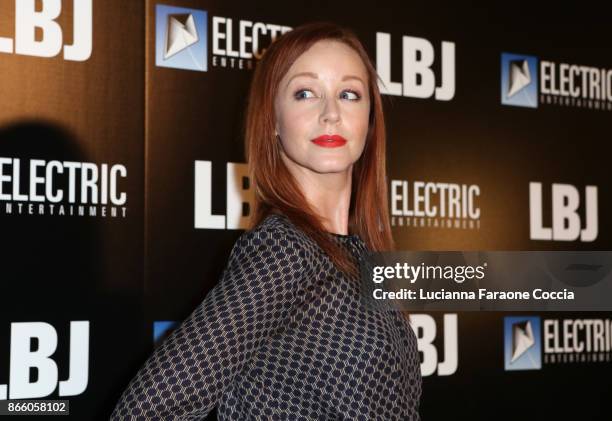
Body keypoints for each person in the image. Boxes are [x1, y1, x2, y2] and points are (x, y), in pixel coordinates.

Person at [111, 21, 422, 420]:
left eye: (349, 94)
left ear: (370, 120)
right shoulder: (286, 249)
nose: (331, 113)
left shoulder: (364, 256)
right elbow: (145, 411)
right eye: (305, 93)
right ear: (273, 119)